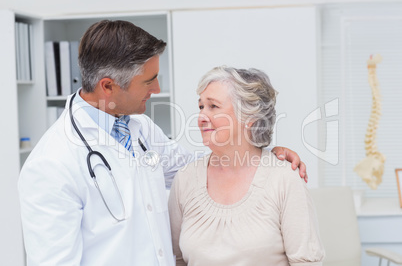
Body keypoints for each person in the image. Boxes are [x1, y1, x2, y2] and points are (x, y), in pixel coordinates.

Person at [19, 20, 308, 266]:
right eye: (149, 81)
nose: (157, 89)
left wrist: (262, 155)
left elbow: (199, 169)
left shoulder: (140, 128)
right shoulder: (51, 164)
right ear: (108, 86)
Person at [168, 66, 325, 266]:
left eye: (213, 106)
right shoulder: (186, 179)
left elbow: (306, 262)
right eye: (201, 107)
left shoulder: (284, 179)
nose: (201, 117)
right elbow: (176, 259)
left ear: (249, 118)